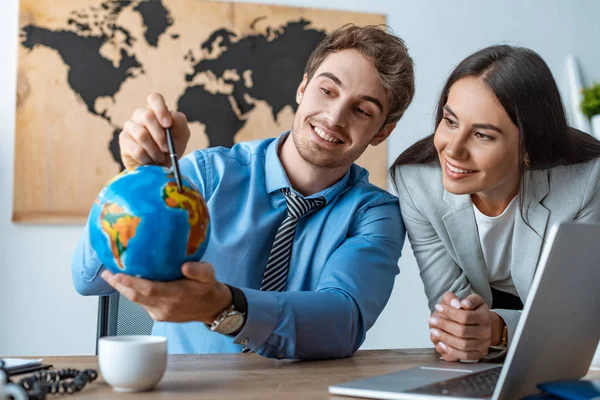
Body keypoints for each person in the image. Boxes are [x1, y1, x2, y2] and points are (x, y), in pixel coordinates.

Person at [72, 24, 415, 359]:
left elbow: (343, 321)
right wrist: (139, 179)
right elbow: (88, 281)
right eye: (327, 91)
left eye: (362, 110)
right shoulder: (207, 175)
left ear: (382, 131)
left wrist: (224, 306)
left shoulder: (375, 215)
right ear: (302, 88)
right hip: (183, 389)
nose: (334, 117)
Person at [391, 44, 600, 362]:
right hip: (497, 316)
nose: (453, 150)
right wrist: (466, 332)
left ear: (528, 148)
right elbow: (451, 310)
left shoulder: (587, 180)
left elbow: (575, 319)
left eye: (483, 135)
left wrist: (499, 330)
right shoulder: (417, 182)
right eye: (450, 121)